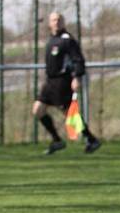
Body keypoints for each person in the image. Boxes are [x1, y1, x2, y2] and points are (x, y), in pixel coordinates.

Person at [34, 11, 101, 155]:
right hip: (50, 82)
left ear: (63, 22)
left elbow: (78, 60)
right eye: (53, 20)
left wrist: (76, 77)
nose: (56, 22)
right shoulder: (52, 39)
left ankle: (91, 139)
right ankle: (57, 140)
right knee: (38, 110)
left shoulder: (67, 40)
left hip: (62, 82)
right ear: (49, 23)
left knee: (70, 114)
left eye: (59, 20)